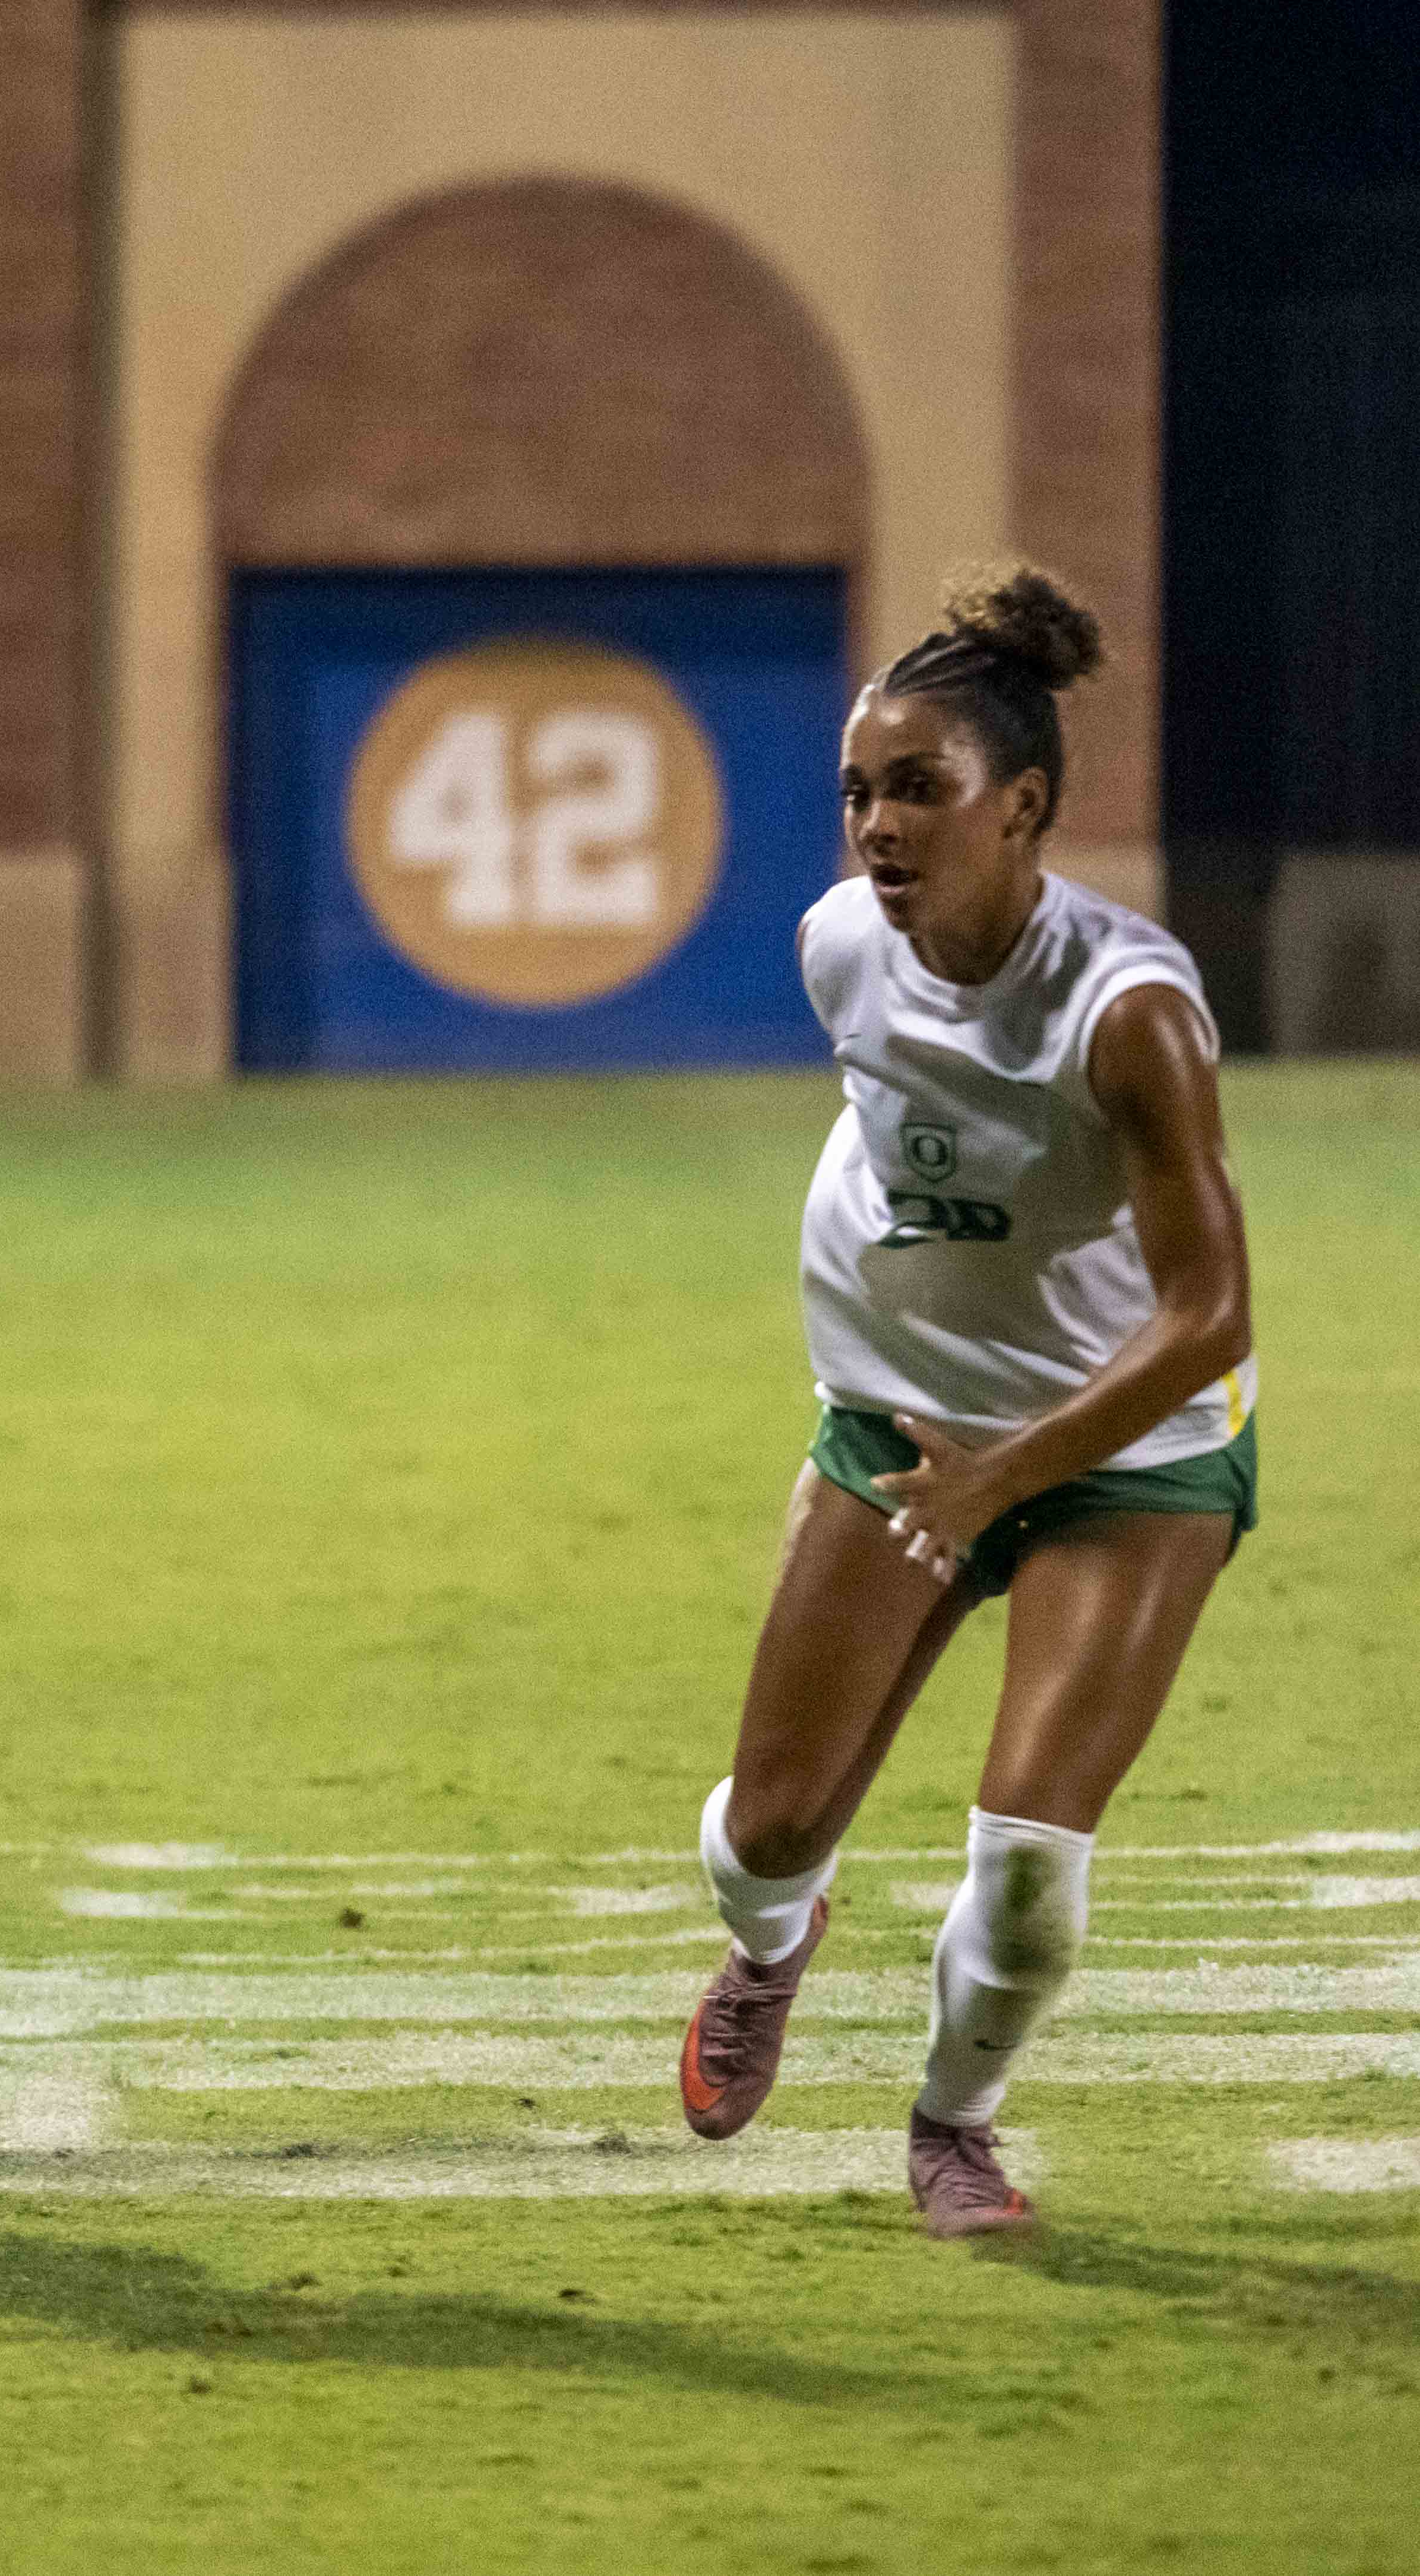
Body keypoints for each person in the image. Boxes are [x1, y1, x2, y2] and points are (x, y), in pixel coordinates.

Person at [673, 567, 1257, 2240]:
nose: (876, 822)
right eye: (857, 788)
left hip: (1124, 1447)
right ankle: (768, 1947)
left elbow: (1207, 1312)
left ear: (1022, 806)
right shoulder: (836, 945)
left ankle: (952, 2124)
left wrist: (1006, 1471)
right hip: (899, 1418)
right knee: (762, 1831)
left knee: (1026, 1872)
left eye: (917, 786)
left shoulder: (1126, 1011)